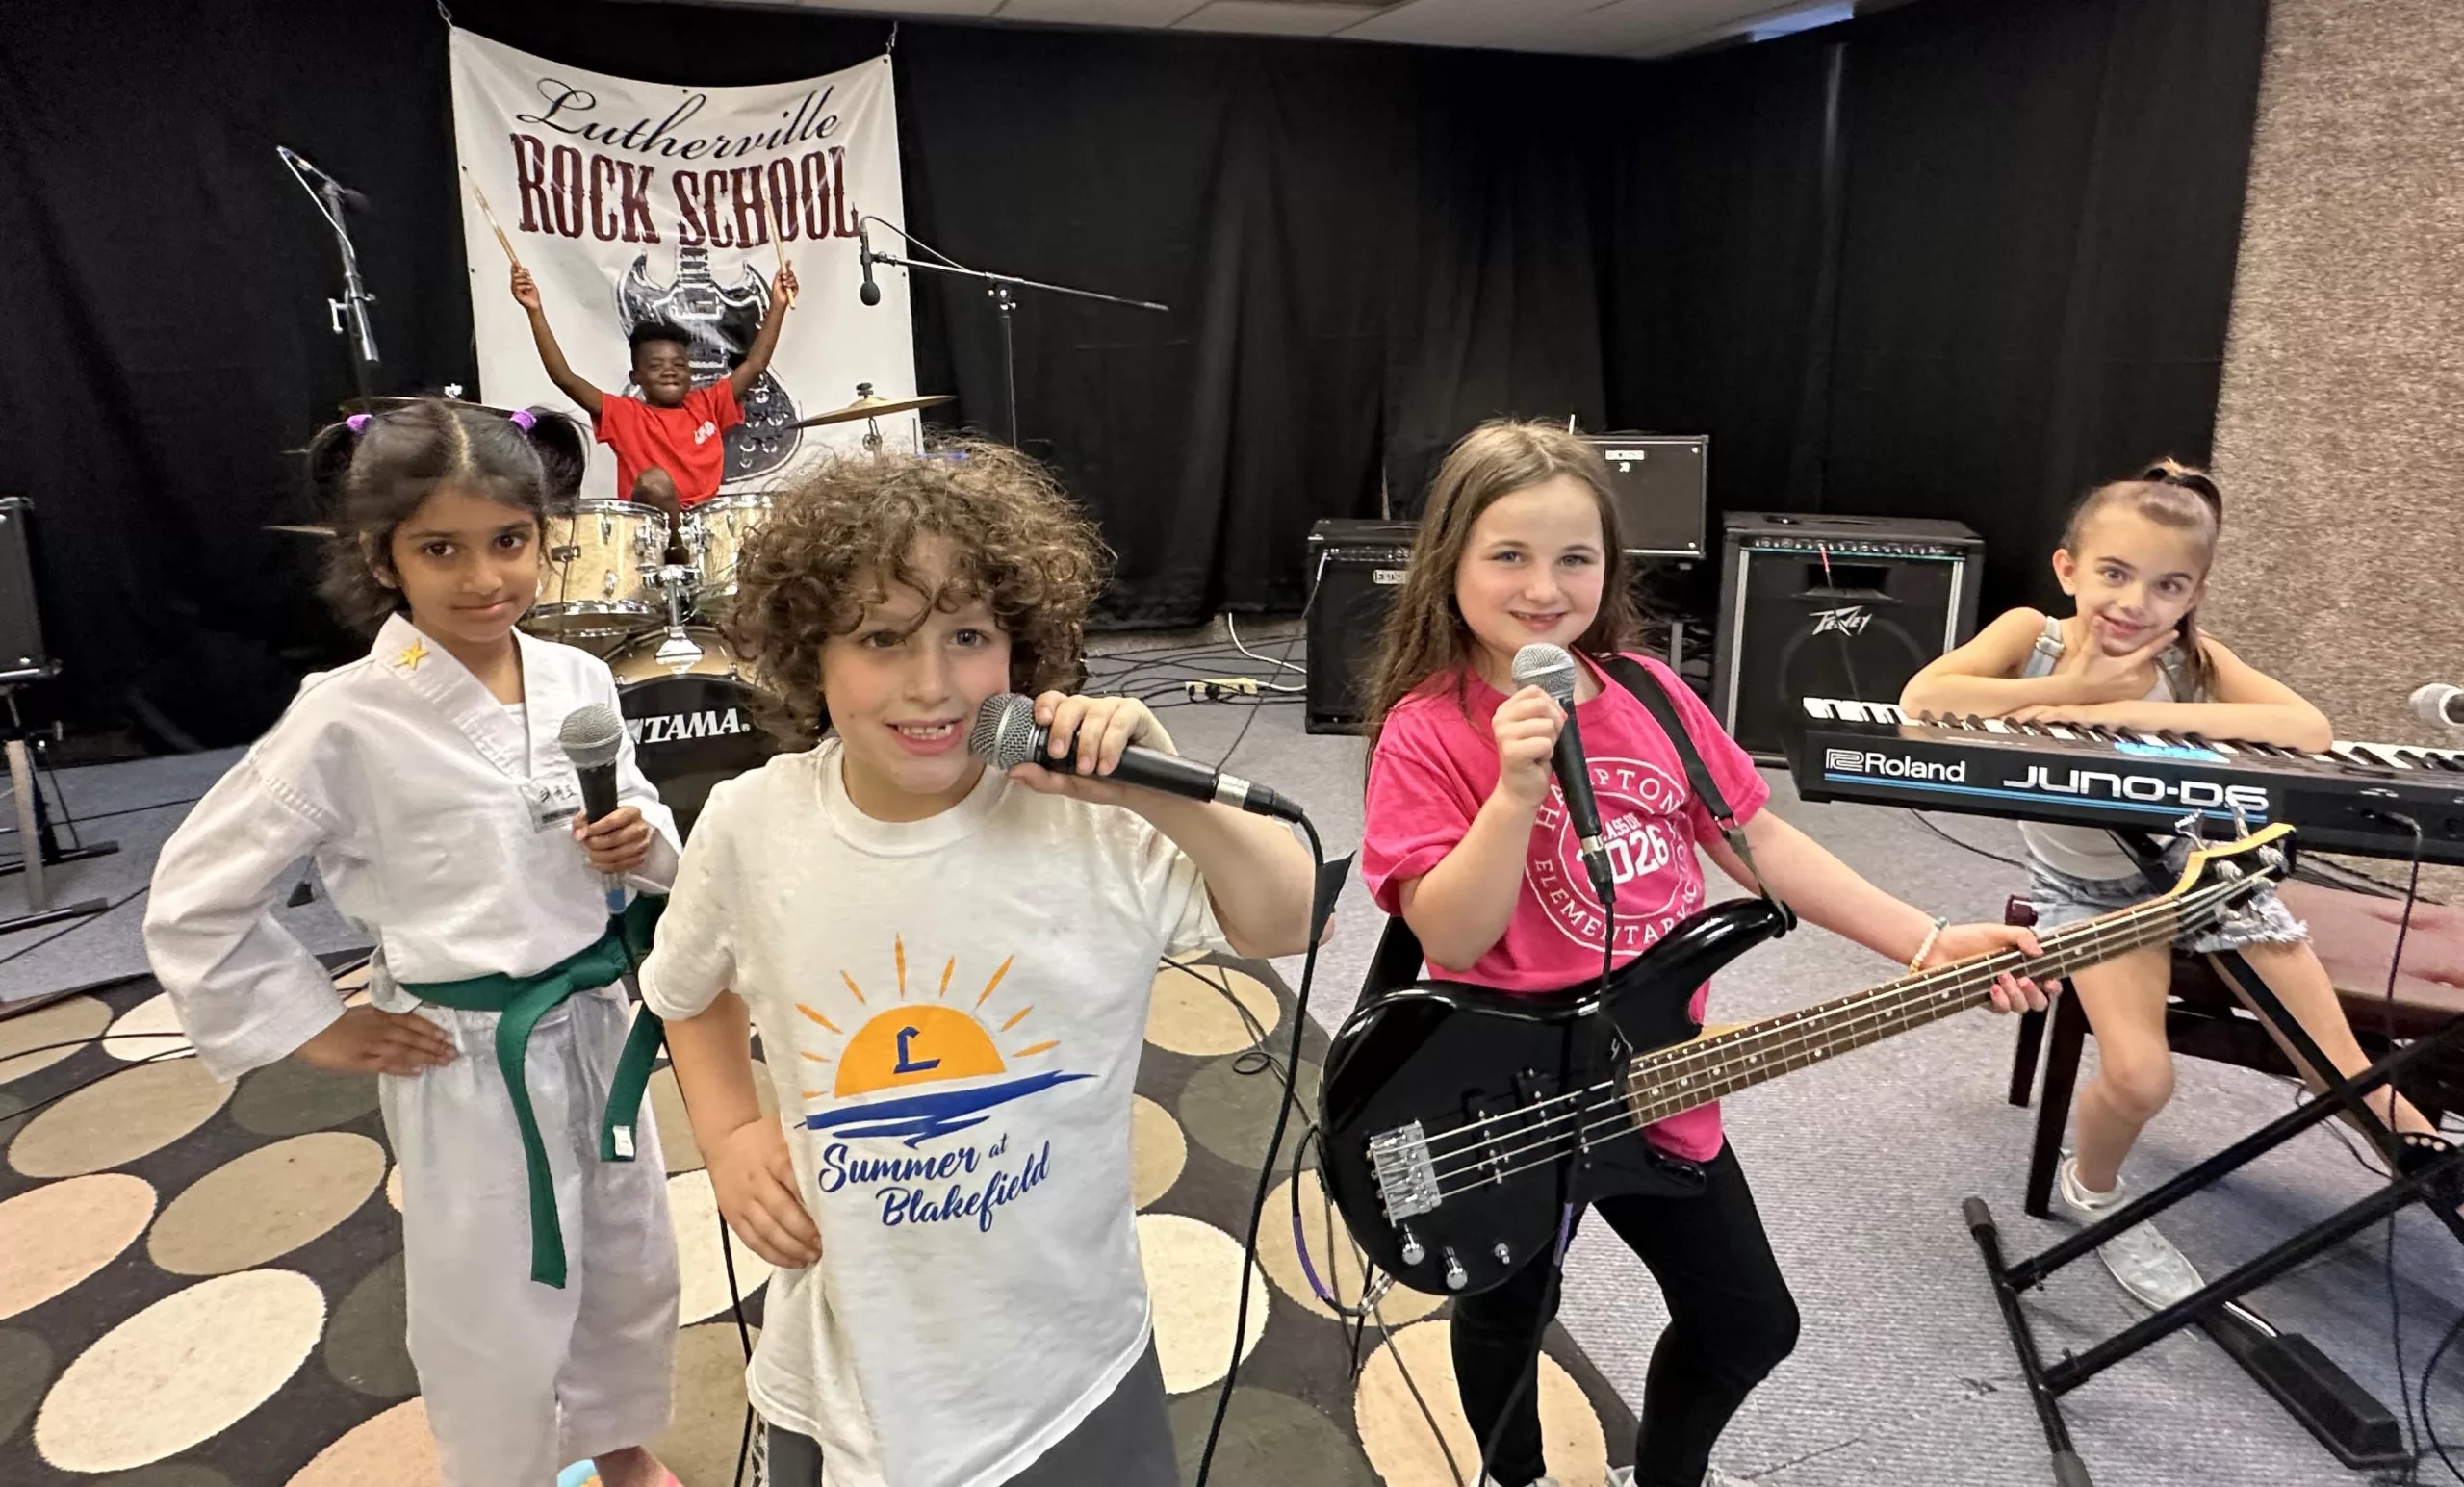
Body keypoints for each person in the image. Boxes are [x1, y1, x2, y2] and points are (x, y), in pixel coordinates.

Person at [1358, 419, 2050, 1487]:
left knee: (1746, 1322)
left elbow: (1755, 839)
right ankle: (1517, 1477)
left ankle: (1665, 1474)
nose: (1544, 586)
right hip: (1497, 1096)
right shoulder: (1428, 728)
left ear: (1609, 569)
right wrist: (1513, 794)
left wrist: (1925, 939)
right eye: (1508, 555)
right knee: (1506, 1309)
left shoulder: (1647, 691)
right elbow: (1448, 933)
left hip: (1660, 1077)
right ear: (1448, 564)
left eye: (1574, 558)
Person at [636, 442, 1319, 1487]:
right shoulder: (753, 824)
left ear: (1021, 649)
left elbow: (1290, 916)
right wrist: (728, 1136)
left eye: (967, 636)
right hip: (852, 1366)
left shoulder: (1089, 824)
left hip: (1067, 1363)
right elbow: (685, 993)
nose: (931, 683)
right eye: (881, 638)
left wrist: (1159, 784)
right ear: (809, 654)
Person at [142, 399, 684, 1487]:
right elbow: (196, 897)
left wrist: (641, 841)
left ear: (545, 535)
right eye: (441, 549)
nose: (485, 578)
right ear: (380, 558)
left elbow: (634, 812)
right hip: (466, 1055)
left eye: (510, 541)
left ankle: (622, 1453)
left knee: (628, 1261)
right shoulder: (343, 719)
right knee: (493, 1299)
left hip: (592, 1021)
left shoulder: (576, 679)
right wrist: (314, 1023)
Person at [1902, 457, 2450, 1310]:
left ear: (2192, 594)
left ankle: (2432, 1186)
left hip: (2207, 878)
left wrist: (2132, 711)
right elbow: (1923, 699)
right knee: (2141, 1079)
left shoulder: (2196, 660)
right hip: (2091, 896)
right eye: (2114, 574)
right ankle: (2095, 1187)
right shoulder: (2030, 634)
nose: (2134, 603)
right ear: (2069, 568)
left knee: (2351, 1073)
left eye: (2167, 586)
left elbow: (2307, 726)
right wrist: (2071, 686)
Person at [511, 259, 798, 515]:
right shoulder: (624, 414)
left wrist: (778, 304)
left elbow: (755, 364)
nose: (670, 371)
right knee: (655, 483)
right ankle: (676, 549)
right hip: (652, 532)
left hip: (706, 528)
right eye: (656, 365)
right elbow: (565, 377)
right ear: (636, 377)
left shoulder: (708, 404)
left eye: (679, 364)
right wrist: (534, 311)